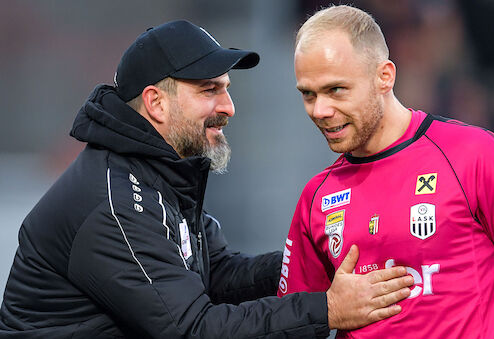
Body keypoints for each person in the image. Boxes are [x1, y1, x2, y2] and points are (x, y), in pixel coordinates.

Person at [0, 20, 415, 338]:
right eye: (209, 90)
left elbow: (216, 275)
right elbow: (192, 329)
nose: (229, 106)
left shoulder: (161, 171)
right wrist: (326, 310)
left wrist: (316, 257)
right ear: (156, 103)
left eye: (227, 88)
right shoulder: (115, 203)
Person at [277, 5, 494, 338]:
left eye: (336, 89)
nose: (320, 110)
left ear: (384, 76)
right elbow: (292, 326)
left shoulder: (476, 157)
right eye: (308, 94)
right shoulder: (317, 198)